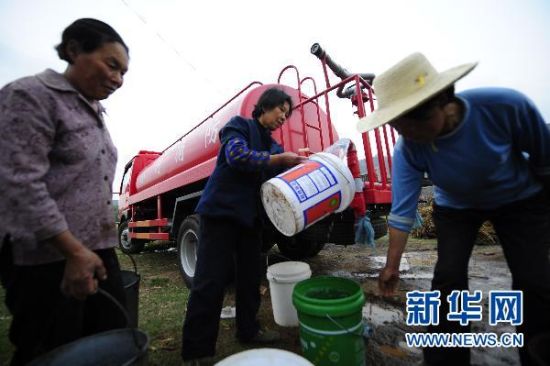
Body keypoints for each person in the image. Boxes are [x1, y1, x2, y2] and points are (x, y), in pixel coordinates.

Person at [357, 53, 550, 365]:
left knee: (534, 280)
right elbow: (402, 213)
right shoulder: (408, 148)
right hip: (457, 207)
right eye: (397, 126)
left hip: (518, 200)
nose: (406, 134)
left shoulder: (504, 106)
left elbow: (544, 158)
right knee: (448, 280)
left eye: (412, 122)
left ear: (443, 100)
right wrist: (391, 266)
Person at [0, 18, 130, 365]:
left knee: (112, 337)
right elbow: (18, 182)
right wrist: (72, 251)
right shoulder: (30, 95)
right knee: (53, 348)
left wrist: (88, 252)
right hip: (47, 259)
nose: (118, 79)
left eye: (124, 73)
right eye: (111, 64)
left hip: (97, 250)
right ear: (74, 50)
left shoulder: (94, 110)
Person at [181, 87, 306, 365]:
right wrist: (279, 160)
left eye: (286, 115)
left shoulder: (274, 146)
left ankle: (248, 330)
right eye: (279, 111)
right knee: (210, 280)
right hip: (220, 214)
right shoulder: (237, 126)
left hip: (251, 220)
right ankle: (197, 350)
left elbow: (281, 174)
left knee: (250, 278)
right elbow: (237, 157)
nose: (282, 118)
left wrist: (300, 163)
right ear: (264, 106)